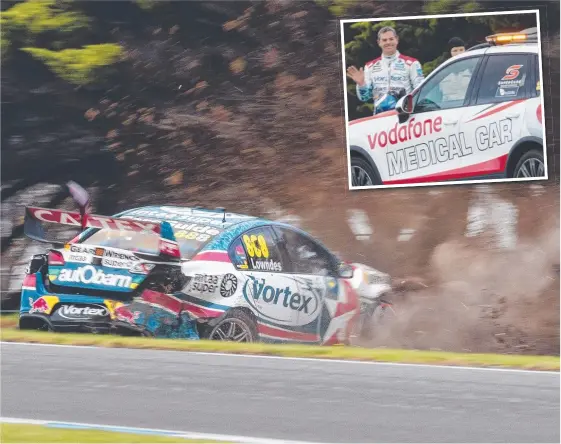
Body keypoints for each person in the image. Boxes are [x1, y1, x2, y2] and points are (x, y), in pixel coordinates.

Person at [346, 26, 425, 115]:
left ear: (397, 40)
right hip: (380, 117)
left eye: (391, 39)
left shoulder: (412, 63)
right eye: (384, 40)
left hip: (405, 115)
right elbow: (364, 98)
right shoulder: (370, 66)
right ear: (379, 42)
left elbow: (421, 91)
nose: (388, 42)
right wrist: (361, 84)